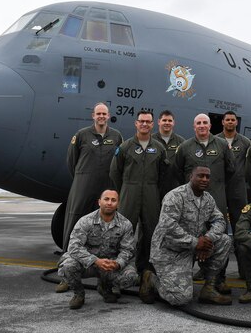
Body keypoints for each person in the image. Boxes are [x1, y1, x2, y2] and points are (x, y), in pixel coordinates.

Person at [140, 166, 232, 306]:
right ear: (191, 177)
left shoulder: (208, 199)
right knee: (180, 298)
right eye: (200, 176)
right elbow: (168, 227)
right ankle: (151, 279)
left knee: (224, 240)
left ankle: (209, 288)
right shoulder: (175, 196)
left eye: (207, 177)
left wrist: (208, 239)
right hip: (170, 250)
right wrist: (196, 243)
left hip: (194, 247)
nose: (204, 179)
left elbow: (219, 220)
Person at [58, 102, 123, 292]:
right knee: (73, 223)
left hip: (107, 185)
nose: (101, 117)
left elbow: (119, 162)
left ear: (108, 116)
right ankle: (65, 273)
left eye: (104, 114)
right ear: (93, 116)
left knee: (109, 225)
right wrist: (82, 177)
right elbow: (72, 161)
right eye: (98, 114)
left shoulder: (116, 136)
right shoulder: (81, 135)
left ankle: (106, 276)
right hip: (84, 183)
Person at [174, 113, 238, 291]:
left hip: (216, 199)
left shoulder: (222, 145)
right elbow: (177, 171)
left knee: (219, 236)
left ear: (210, 126)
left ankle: (219, 278)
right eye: (198, 123)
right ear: (194, 126)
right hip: (191, 201)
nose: (202, 126)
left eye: (205, 123)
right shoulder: (185, 147)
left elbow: (231, 169)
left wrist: (217, 184)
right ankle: (188, 273)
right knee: (191, 234)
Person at [109, 110, 169, 273]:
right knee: (123, 232)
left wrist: (155, 191)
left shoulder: (159, 148)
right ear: (136, 123)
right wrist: (124, 191)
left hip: (151, 194)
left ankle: (146, 271)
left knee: (151, 232)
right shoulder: (125, 146)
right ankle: (119, 269)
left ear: (152, 124)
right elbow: (115, 171)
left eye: (147, 122)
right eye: (141, 121)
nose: (144, 124)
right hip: (129, 192)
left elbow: (164, 174)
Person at [57, 189, 137, 309]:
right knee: (68, 266)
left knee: (131, 277)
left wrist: (117, 263)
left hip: (110, 265)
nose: (109, 203)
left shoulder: (125, 224)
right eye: (106, 199)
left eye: (113, 200)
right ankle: (79, 294)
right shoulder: (85, 221)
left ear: (118, 204)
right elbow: (74, 247)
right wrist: (95, 261)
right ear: (99, 202)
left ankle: (105, 287)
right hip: (88, 264)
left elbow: (128, 250)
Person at [216, 110, 251, 277]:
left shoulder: (244, 142)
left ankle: (244, 269)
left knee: (241, 229)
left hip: (238, 191)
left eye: (233, 120)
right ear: (222, 122)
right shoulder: (215, 140)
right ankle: (216, 270)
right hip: (220, 190)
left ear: (236, 122)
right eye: (227, 120)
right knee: (218, 229)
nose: (230, 122)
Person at [153, 110, 185, 191]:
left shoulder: (181, 142)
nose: (167, 123)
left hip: (174, 188)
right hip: (154, 187)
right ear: (159, 122)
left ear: (173, 123)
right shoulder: (151, 140)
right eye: (164, 120)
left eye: (170, 120)